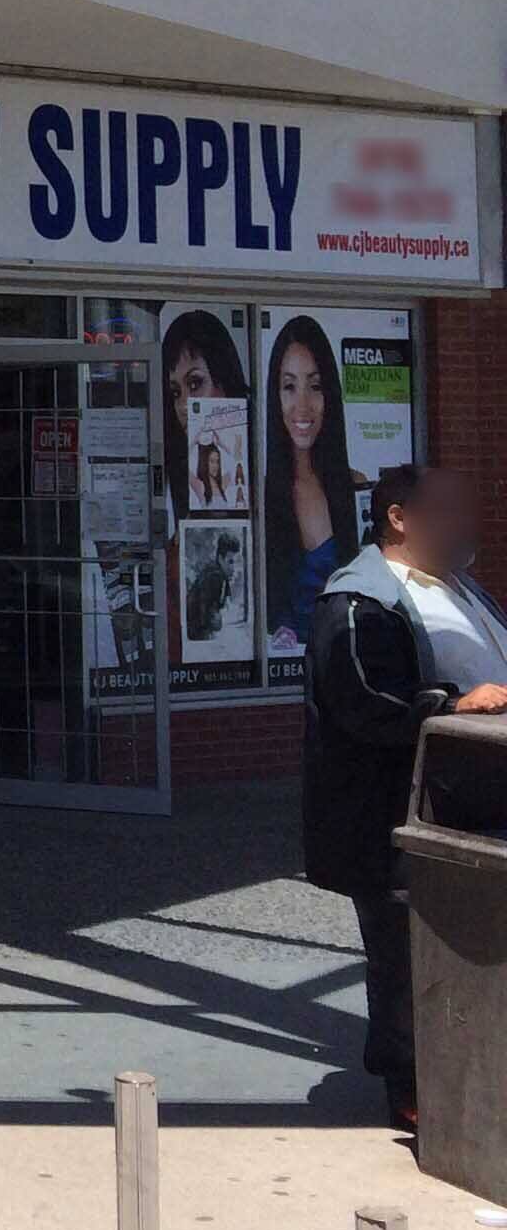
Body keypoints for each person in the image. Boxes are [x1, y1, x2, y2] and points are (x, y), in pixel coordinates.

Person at [303, 464, 507, 1136]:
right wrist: (451, 706)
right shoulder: (358, 602)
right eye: (445, 510)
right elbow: (364, 701)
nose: (463, 523)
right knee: (405, 953)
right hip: (396, 817)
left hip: (475, 808)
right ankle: (413, 1085)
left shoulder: (463, 591)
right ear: (400, 518)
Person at [263, 314, 364, 652]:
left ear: (330, 395)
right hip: (282, 667)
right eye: (289, 386)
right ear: (274, 397)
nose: (302, 405)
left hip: (345, 658)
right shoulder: (260, 495)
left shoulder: (353, 488)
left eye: (315, 386)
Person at [160, 308, 249, 521]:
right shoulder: (174, 470)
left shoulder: (259, 456)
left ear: (224, 381)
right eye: (175, 392)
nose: (183, 405)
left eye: (195, 384)